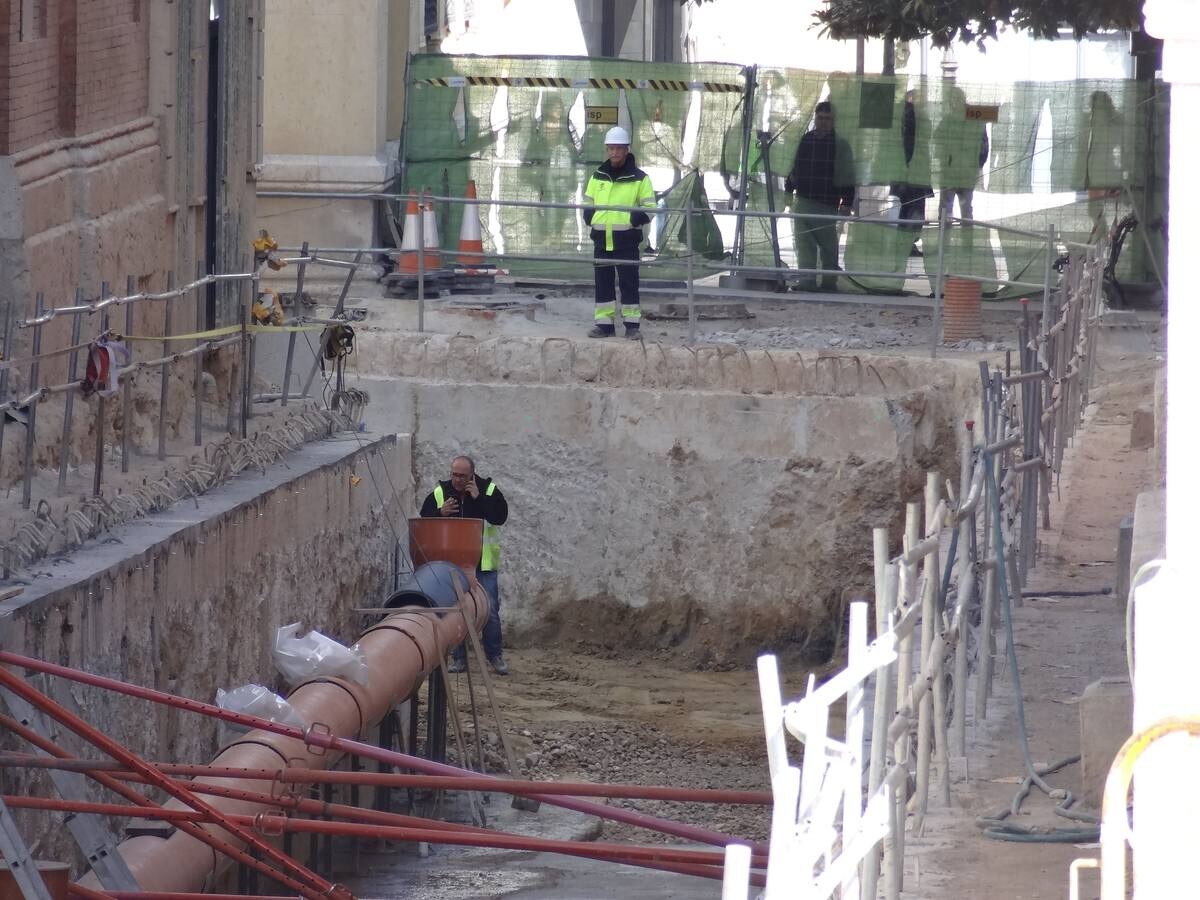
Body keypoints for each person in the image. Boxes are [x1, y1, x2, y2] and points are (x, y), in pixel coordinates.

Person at [419, 455, 510, 675]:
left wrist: (479, 499)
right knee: (458, 610)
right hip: (454, 564)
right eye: (454, 474)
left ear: (472, 475)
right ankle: (459, 660)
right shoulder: (442, 493)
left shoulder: (487, 489)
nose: (457, 480)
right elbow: (424, 520)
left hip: (482, 563)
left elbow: (500, 517)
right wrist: (439, 514)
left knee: (490, 610)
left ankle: (494, 656)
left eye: (462, 476)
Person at [583, 125, 656, 340]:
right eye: (611, 148)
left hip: (627, 241)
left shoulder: (640, 179)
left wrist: (632, 221)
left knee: (629, 284)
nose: (614, 152)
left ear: (627, 150)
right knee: (603, 284)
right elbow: (588, 202)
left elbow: (650, 208)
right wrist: (590, 218)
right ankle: (604, 326)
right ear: (607, 149)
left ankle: (632, 326)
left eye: (618, 148)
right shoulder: (598, 176)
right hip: (601, 240)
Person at [784, 101, 856, 292]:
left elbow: (848, 175)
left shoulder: (840, 145)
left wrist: (847, 202)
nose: (823, 122)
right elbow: (794, 168)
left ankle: (828, 283)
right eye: (820, 118)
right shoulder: (805, 140)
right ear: (815, 118)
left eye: (827, 119)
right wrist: (788, 190)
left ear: (834, 121)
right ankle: (807, 282)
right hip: (804, 199)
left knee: (828, 247)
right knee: (804, 245)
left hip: (826, 202)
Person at [934, 84, 989, 221]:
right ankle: (965, 240)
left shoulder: (949, 120)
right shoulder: (975, 118)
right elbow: (984, 148)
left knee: (948, 210)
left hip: (953, 172)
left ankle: (945, 241)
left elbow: (937, 138)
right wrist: (976, 166)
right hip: (965, 172)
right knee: (965, 212)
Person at [890, 90, 935, 257]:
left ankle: (907, 243)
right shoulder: (911, 118)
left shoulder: (913, 119)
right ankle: (906, 243)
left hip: (912, 173)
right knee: (914, 209)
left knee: (910, 208)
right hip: (912, 174)